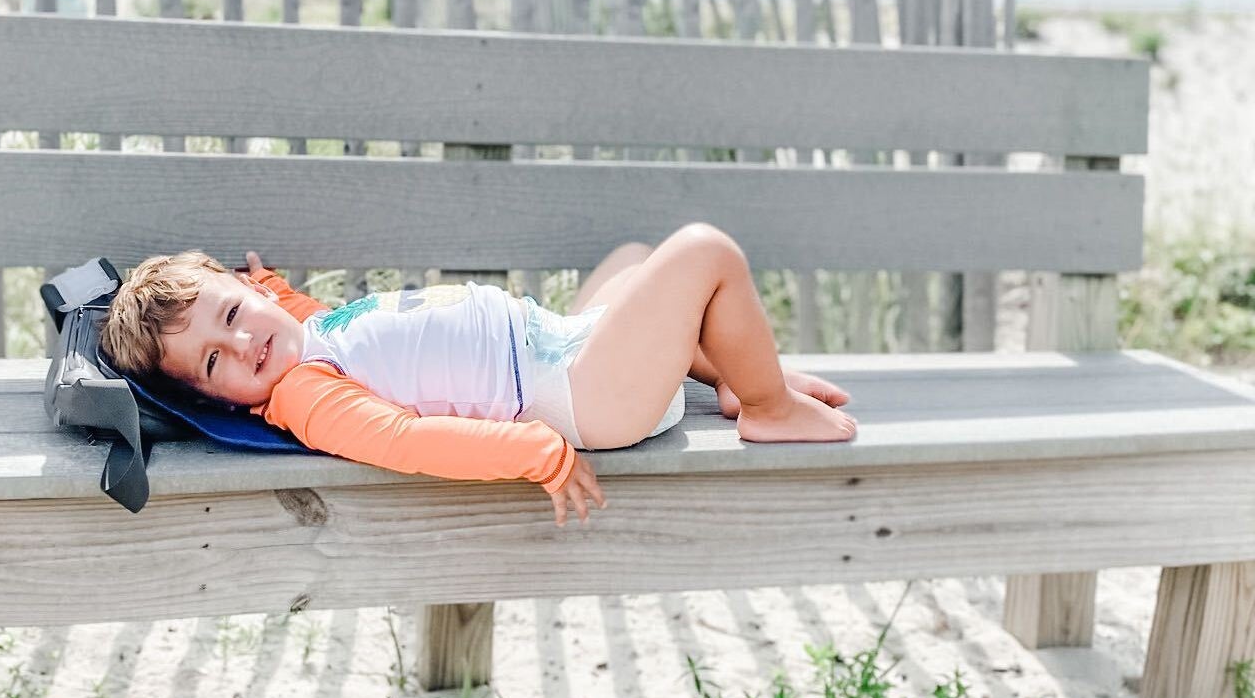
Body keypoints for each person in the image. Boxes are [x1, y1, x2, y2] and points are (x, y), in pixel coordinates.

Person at [100, 223, 856, 528]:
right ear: (208, 397)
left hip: (563, 344)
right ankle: (764, 403)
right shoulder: (304, 396)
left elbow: (297, 316)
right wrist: (534, 451)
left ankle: (723, 372)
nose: (242, 348)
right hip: (578, 399)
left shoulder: (306, 333)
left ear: (254, 294)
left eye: (233, 316)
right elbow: (406, 440)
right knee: (703, 252)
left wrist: (272, 290)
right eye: (212, 363)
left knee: (631, 261)